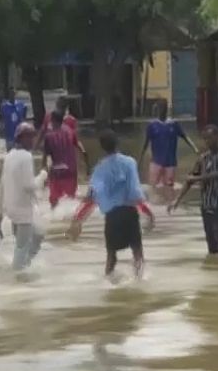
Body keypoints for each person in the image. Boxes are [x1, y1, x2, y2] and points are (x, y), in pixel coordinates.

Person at [68, 131, 149, 278]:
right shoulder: (130, 162)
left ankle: (108, 282)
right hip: (129, 213)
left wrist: (78, 220)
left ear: (102, 147)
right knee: (137, 252)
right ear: (117, 144)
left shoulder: (99, 169)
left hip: (112, 216)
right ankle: (139, 281)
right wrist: (148, 213)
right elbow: (136, 193)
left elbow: (91, 198)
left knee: (111, 256)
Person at [0, 123, 48, 271]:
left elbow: (2, 185)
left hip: (12, 209)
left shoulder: (10, 155)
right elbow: (29, 185)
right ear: (22, 138)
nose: (33, 141)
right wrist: (43, 176)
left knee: (38, 234)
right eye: (30, 138)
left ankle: (24, 265)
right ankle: (18, 277)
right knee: (22, 247)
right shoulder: (26, 157)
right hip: (23, 211)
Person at [169, 125, 218, 255]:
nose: (207, 142)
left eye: (209, 138)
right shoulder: (204, 158)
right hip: (206, 206)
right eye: (205, 139)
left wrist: (197, 178)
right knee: (211, 245)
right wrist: (177, 200)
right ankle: (215, 266)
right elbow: (189, 180)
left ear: (217, 137)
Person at [139, 102, 198, 198]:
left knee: (169, 187)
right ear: (157, 110)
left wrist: (195, 148)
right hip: (156, 162)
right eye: (160, 109)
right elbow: (146, 143)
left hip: (170, 162)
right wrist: (140, 159)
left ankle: (168, 205)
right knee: (153, 187)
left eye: (164, 109)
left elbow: (185, 137)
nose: (162, 111)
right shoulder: (152, 126)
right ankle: (156, 207)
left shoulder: (174, 124)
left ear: (167, 110)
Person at [41, 110, 90, 207]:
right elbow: (82, 150)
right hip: (71, 171)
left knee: (54, 202)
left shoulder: (49, 136)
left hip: (56, 171)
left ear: (53, 121)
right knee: (70, 199)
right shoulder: (70, 131)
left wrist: (44, 172)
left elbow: (45, 156)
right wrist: (87, 166)